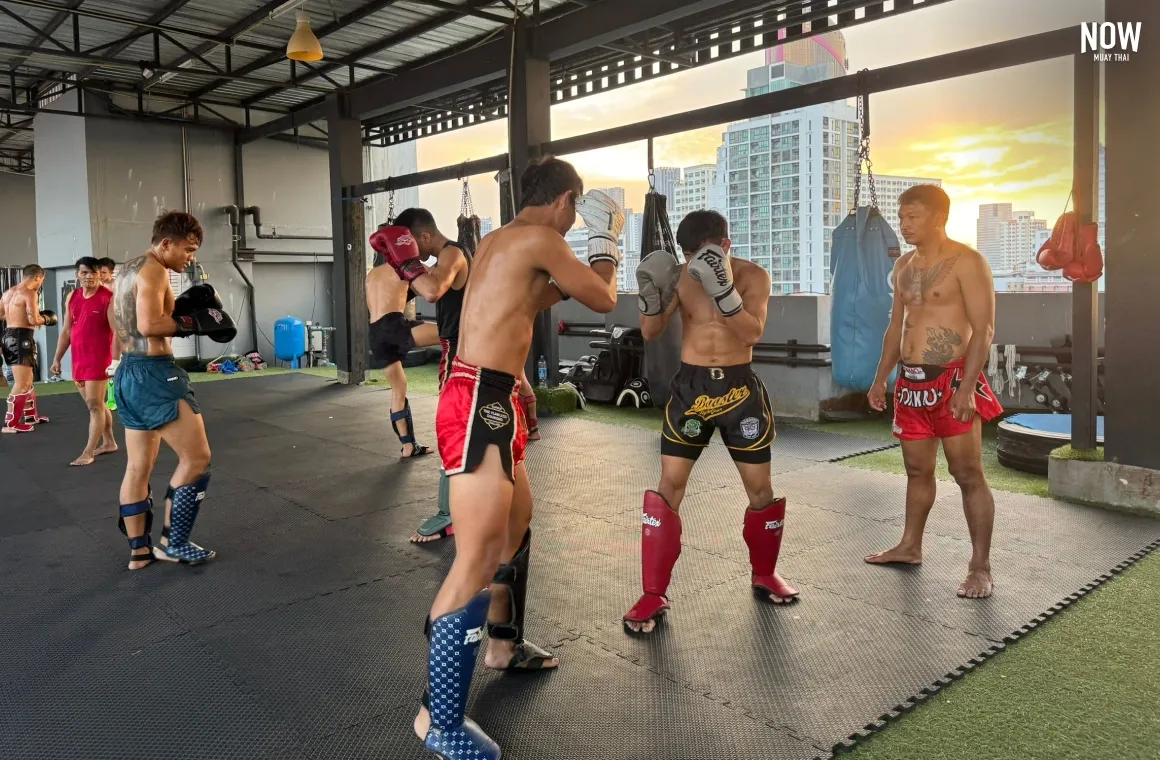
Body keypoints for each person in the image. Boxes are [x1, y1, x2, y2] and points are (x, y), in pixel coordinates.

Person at [404, 157, 619, 759]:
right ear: (566, 200)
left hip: (492, 393)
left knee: (518, 517)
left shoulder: (503, 242)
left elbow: (526, 304)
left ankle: (499, 644)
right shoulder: (542, 239)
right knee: (474, 556)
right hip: (477, 399)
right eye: (576, 212)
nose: (573, 223)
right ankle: (437, 718)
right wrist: (607, 239)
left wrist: (520, 382)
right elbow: (603, 297)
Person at [622, 210, 799, 635]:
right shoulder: (681, 278)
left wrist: (722, 287)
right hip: (692, 390)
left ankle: (765, 573)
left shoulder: (753, 276)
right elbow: (651, 331)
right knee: (669, 488)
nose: (694, 263)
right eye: (689, 256)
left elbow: (751, 332)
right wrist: (649, 296)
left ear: (725, 246)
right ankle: (653, 593)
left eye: (703, 254)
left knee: (760, 490)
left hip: (739, 391)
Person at [865, 184, 1002, 599]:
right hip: (911, 385)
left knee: (967, 474)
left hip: (953, 380)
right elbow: (896, 326)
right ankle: (910, 546)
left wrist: (966, 388)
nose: (904, 224)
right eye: (902, 217)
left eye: (913, 217)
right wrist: (880, 378)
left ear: (939, 218)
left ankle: (980, 567)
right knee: (916, 471)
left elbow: (984, 329)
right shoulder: (903, 266)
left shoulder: (968, 261)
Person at [111, 211, 237, 571]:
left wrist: (176, 309)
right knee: (197, 459)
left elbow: (118, 320)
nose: (190, 258)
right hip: (155, 376)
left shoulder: (126, 271)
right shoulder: (154, 270)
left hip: (128, 372)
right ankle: (173, 543)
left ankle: (139, 552)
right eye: (188, 249)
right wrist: (194, 321)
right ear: (166, 243)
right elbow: (149, 325)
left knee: (138, 466)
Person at [365, 230, 439, 460]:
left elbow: (391, 296)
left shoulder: (371, 275)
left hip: (375, 333)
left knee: (399, 388)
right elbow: (432, 286)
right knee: (452, 333)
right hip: (394, 325)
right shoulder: (403, 267)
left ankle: (408, 446)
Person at [51, 257, 120, 465]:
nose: (89, 276)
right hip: (79, 358)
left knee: (94, 405)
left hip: (100, 359)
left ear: (100, 275)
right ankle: (109, 442)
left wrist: (115, 360)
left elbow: (117, 332)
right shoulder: (72, 296)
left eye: (93, 273)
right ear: (77, 275)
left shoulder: (108, 297)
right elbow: (66, 331)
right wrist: (57, 358)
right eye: (84, 273)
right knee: (96, 404)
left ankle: (88, 452)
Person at [2, 264, 56, 434]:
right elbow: (34, 320)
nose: (41, 283)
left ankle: (31, 416)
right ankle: (11, 423)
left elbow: (1, 314)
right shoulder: (30, 293)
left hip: (9, 336)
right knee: (22, 383)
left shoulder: (8, 292)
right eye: (42, 280)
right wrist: (47, 319)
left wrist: (16, 316)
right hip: (21, 338)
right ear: (38, 277)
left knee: (28, 379)